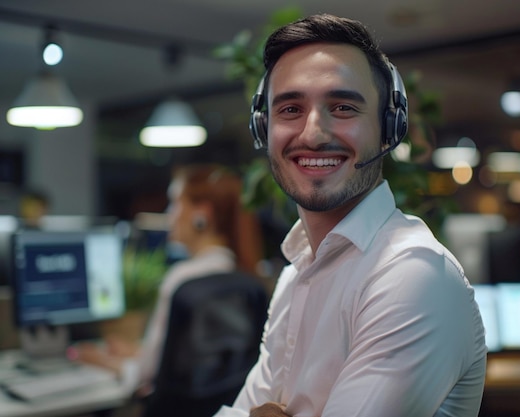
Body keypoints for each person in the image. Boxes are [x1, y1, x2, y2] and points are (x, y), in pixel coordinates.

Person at [213, 14, 487, 417]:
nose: (313, 133)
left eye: (342, 107)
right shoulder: (298, 273)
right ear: (263, 128)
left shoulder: (411, 274)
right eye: (290, 108)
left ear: (388, 128)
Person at [74, 163, 265, 398]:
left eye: (174, 203)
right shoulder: (241, 277)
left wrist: (101, 360)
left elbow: (148, 375)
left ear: (201, 214)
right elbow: (200, 363)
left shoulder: (183, 280)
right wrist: (136, 352)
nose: (169, 215)